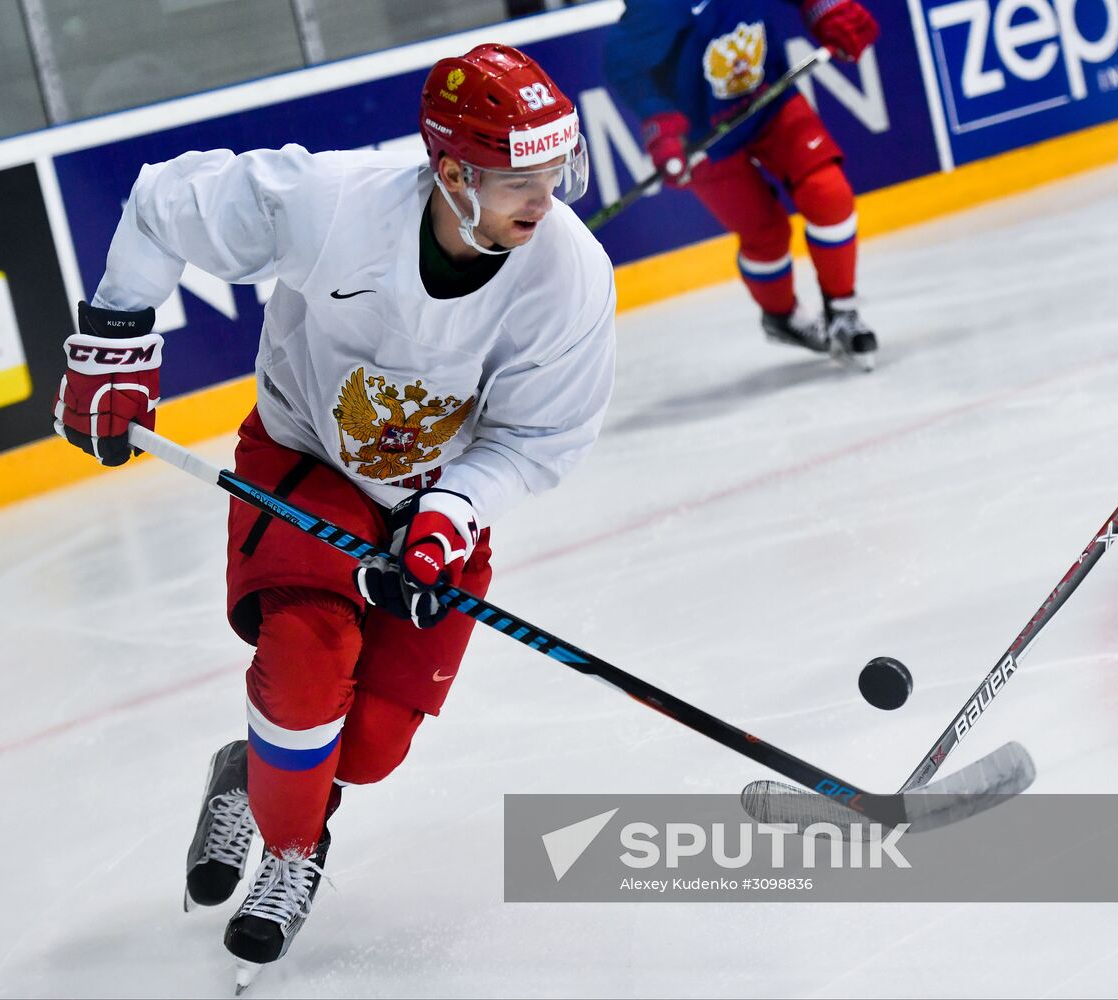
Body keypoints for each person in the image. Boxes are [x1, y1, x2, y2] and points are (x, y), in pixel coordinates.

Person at [53, 43, 615, 987]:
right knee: (309, 658)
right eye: (520, 176)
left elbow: (537, 439)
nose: (543, 197)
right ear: (451, 170)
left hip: (432, 507)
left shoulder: (568, 273)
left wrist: (452, 509)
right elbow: (161, 203)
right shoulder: (331, 205)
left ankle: (252, 774)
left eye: (554, 171)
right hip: (304, 458)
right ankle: (291, 852)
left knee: (370, 750)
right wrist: (117, 339)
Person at [605, 0, 880, 370]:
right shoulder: (655, 9)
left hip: (772, 104)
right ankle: (782, 317)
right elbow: (623, 61)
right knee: (765, 236)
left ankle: (843, 311)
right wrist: (659, 124)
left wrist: (828, 9)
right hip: (706, 139)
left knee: (827, 192)